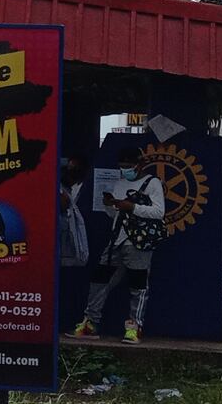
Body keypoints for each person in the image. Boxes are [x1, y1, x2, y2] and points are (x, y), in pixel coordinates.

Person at [70, 147, 164, 344]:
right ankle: (90, 322)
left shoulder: (152, 183)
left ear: (139, 165)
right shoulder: (120, 183)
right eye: (121, 167)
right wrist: (109, 205)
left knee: (138, 285)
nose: (124, 171)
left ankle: (134, 327)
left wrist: (133, 207)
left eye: (128, 167)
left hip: (138, 241)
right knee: (100, 278)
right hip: (117, 239)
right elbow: (115, 215)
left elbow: (158, 212)